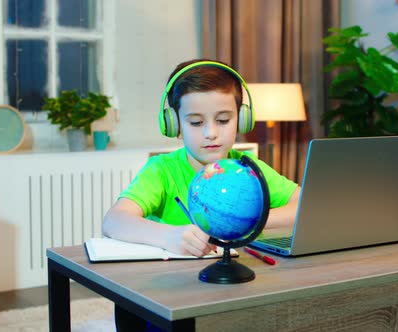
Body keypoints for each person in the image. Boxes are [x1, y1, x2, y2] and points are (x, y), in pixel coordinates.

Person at [102, 59, 301, 331]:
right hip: (174, 297)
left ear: (242, 119)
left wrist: (248, 220)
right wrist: (168, 236)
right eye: (196, 122)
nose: (211, 133)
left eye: (223, 120)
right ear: (174, 124)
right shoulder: (162, 170)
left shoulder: (248, 168)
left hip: (232, 296)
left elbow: (304, 204)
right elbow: (114, 221)